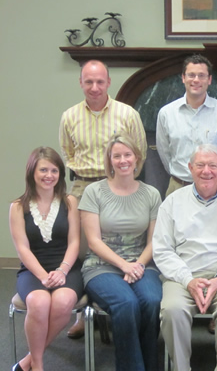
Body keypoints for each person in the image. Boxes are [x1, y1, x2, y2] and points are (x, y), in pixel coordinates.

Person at [59, 59, 147, 338]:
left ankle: (121, 298)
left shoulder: (127, 114)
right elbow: (67, 153)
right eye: (88, 82)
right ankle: (84, 314)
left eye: (100, 81)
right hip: (83, 188)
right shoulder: (69, 116)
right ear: (81, 83)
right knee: (82, 252)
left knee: (121, 246)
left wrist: (121, 180)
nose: (94, 87)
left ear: (109, 82)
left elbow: (139, 152)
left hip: (119, 187)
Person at [153, 144, 217, 371]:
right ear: (190, 168)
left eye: (212, 165)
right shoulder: (172, 202)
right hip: (183, 275)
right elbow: (162, 250)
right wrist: (188, 280)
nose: (206, 171)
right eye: (200, 165)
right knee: (172, 310)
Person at [79, 133, 162, 371]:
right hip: (101, 265)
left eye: (128, 155)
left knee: (153, 300)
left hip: (141, 263)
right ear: (110, 160)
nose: (123, 160)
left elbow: (154, 242)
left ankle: (149, 365)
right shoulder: (94, 192)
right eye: (117, 156)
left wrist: (137, 265)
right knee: (126, 303)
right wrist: (124, 265)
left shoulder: (151, 194)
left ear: (137, 158)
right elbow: (93, 241)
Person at [9, 147, 82, 371]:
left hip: (67, 268)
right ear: (32, 172)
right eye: (43, 170)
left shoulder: (70, 202)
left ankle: (28, 361)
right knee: (38, 303)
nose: (48, 175)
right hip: (33, 271)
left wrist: (61, 271)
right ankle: (38, 364)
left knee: (61, 303)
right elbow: (22, 248)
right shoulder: (18, 207)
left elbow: (75, 243)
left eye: (54, 170)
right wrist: (42, 276)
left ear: (60, 174)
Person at [156, 54, 217, 196]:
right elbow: (165, 154)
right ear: (183, 78)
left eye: (201, 75)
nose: (196, 80)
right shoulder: (166, 113)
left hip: (215, 188)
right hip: (178, 187)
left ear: (209, 80)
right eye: (191, 75)